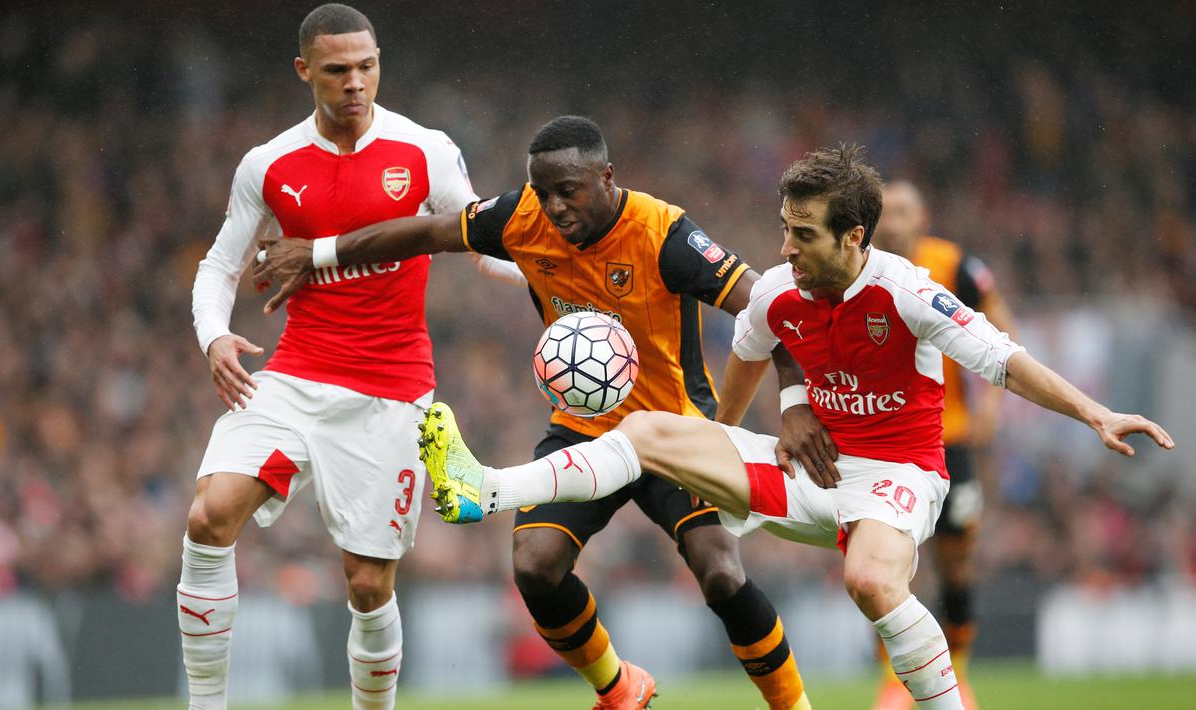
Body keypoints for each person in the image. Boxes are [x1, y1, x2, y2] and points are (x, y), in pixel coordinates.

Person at [416, 146, 1175, 710]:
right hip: (808, 476)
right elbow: (737, 382)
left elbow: (1005, 361)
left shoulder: (908, 291)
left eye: (802, 234)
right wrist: (719, 446)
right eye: (783, 229)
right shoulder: (777, 293)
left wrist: (1095, 413)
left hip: (896, 480)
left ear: (853, 238)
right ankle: (485, 487)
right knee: (650, 428)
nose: (783, 249)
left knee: (869, 581)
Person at [255, 116, 817, 710]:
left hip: (673, 429)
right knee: (534, 565)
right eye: (542, 190)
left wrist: (795, 400)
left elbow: (766, 307)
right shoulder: (521, 217)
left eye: (568, 190)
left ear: (607, 177)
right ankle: (619, 688)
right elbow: (427, 233)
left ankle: (792, 707)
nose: (553, 206)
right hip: (582, 429)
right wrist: (317, 254)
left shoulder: (663, 233)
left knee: (721, 575)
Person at [180, 5, 524, 710]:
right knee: (209, 516)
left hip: (391, 392)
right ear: (305, 71)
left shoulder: (423, 149)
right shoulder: (268, 164)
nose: (355, 83)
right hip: (297, 377)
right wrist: (214, 335)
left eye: (366, 67)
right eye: (337, 71)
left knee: (368, 587)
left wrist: (557, 269)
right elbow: (220, 266)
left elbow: (477, 243)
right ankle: (205, 705)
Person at [869, 181, 1018, 709]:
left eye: (903, 211)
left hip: (948, 437)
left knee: (955, 562)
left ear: (922, 217)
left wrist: (994, 407)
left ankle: (957, 673)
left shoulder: (955, 268)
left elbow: (1004, 333)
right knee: (881, 565)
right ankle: (894, 680)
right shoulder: (856, 268)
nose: (893, 222)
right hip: (883, 439)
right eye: (884, 213)